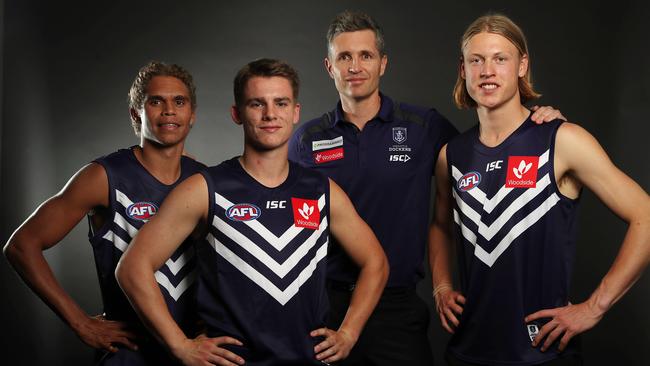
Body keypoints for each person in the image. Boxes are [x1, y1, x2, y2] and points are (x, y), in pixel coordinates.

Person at [288, 10, 565, 365]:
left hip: (397, 306)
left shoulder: (423, 126)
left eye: (366, 55)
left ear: (383, 63)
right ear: (330, 67)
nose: (355, 66)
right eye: (344, 56)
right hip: (326, 304)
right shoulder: (307, 138)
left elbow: (483, 149)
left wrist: (540, 124)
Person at [116, 58, 389, 366]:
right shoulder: (204, 189)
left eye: (281, 103)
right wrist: (180, 346)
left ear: (295, 112)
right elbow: (132, 267)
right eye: (257, 104)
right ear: (237, 113)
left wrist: (349, 333)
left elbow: (375, 261)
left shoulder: (321, 190)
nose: (270, 114)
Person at [430, 13, 650, 366]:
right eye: (477, 60)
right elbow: (440, 225)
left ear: (522, 65)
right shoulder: (450, 155)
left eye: (500, 58)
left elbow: (646, 216)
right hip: (468, 352)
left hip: (542, 354)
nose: (487, 70)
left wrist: (595, 307)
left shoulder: (562, 140)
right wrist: (441, 286)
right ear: (463, 69)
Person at [3, 61, 206, 365]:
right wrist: (80, 323)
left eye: (179, 101)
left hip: (193, 351)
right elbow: (21, 246)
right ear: (136, 113)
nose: (169, 110)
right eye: (155, 101)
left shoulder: (203, 179)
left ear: (192, 115)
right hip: (131, 353)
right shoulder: (103, 177)